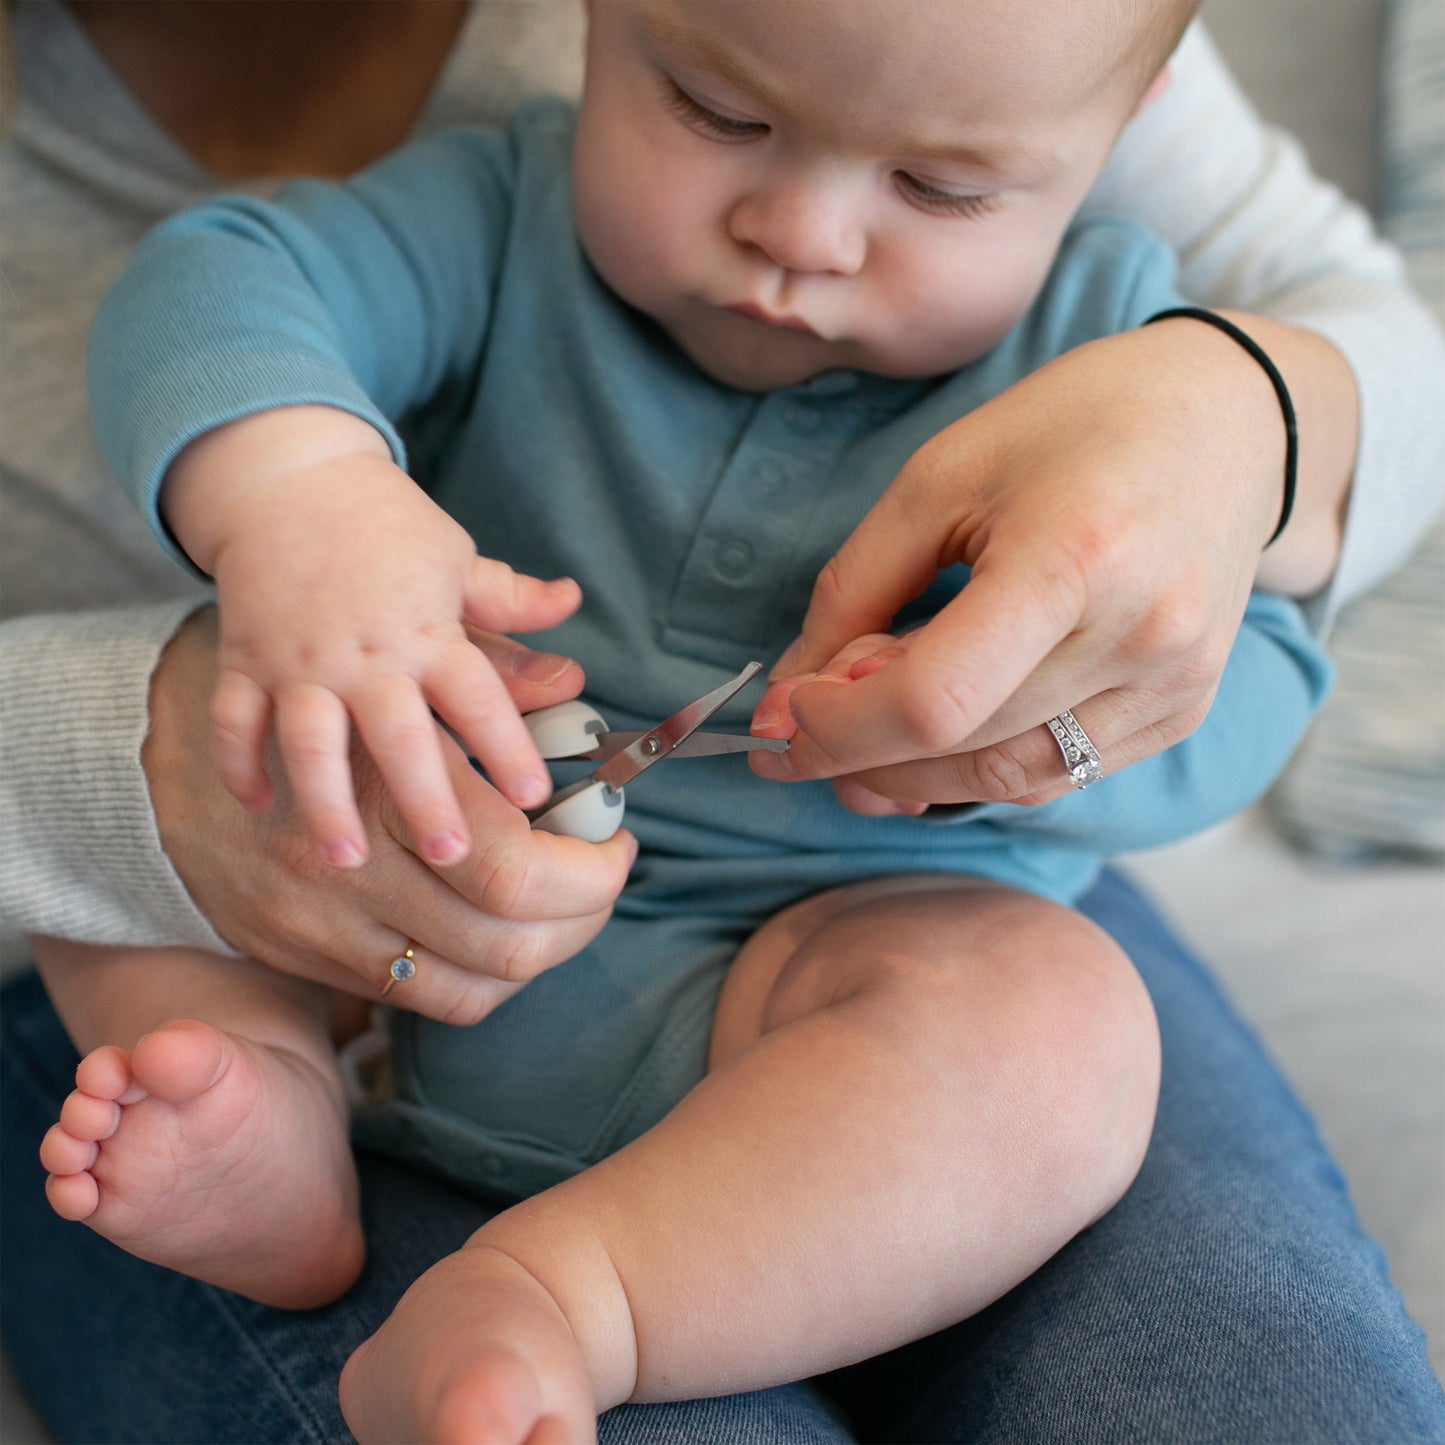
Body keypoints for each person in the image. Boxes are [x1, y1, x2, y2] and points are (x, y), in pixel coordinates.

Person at [3, 3, 1443, 1444]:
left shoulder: (1109, 344)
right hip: (375, 913)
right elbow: (224, 276)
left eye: (938, 189)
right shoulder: (503, 214)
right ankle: (270, 1108)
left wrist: (1046, 745)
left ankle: (573, 1295)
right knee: (147, 853)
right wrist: (298, 492)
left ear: (1118, 141)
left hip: (826, 961)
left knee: (1061, 1033)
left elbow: (1251, 662)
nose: (800, 234)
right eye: (717, 114)